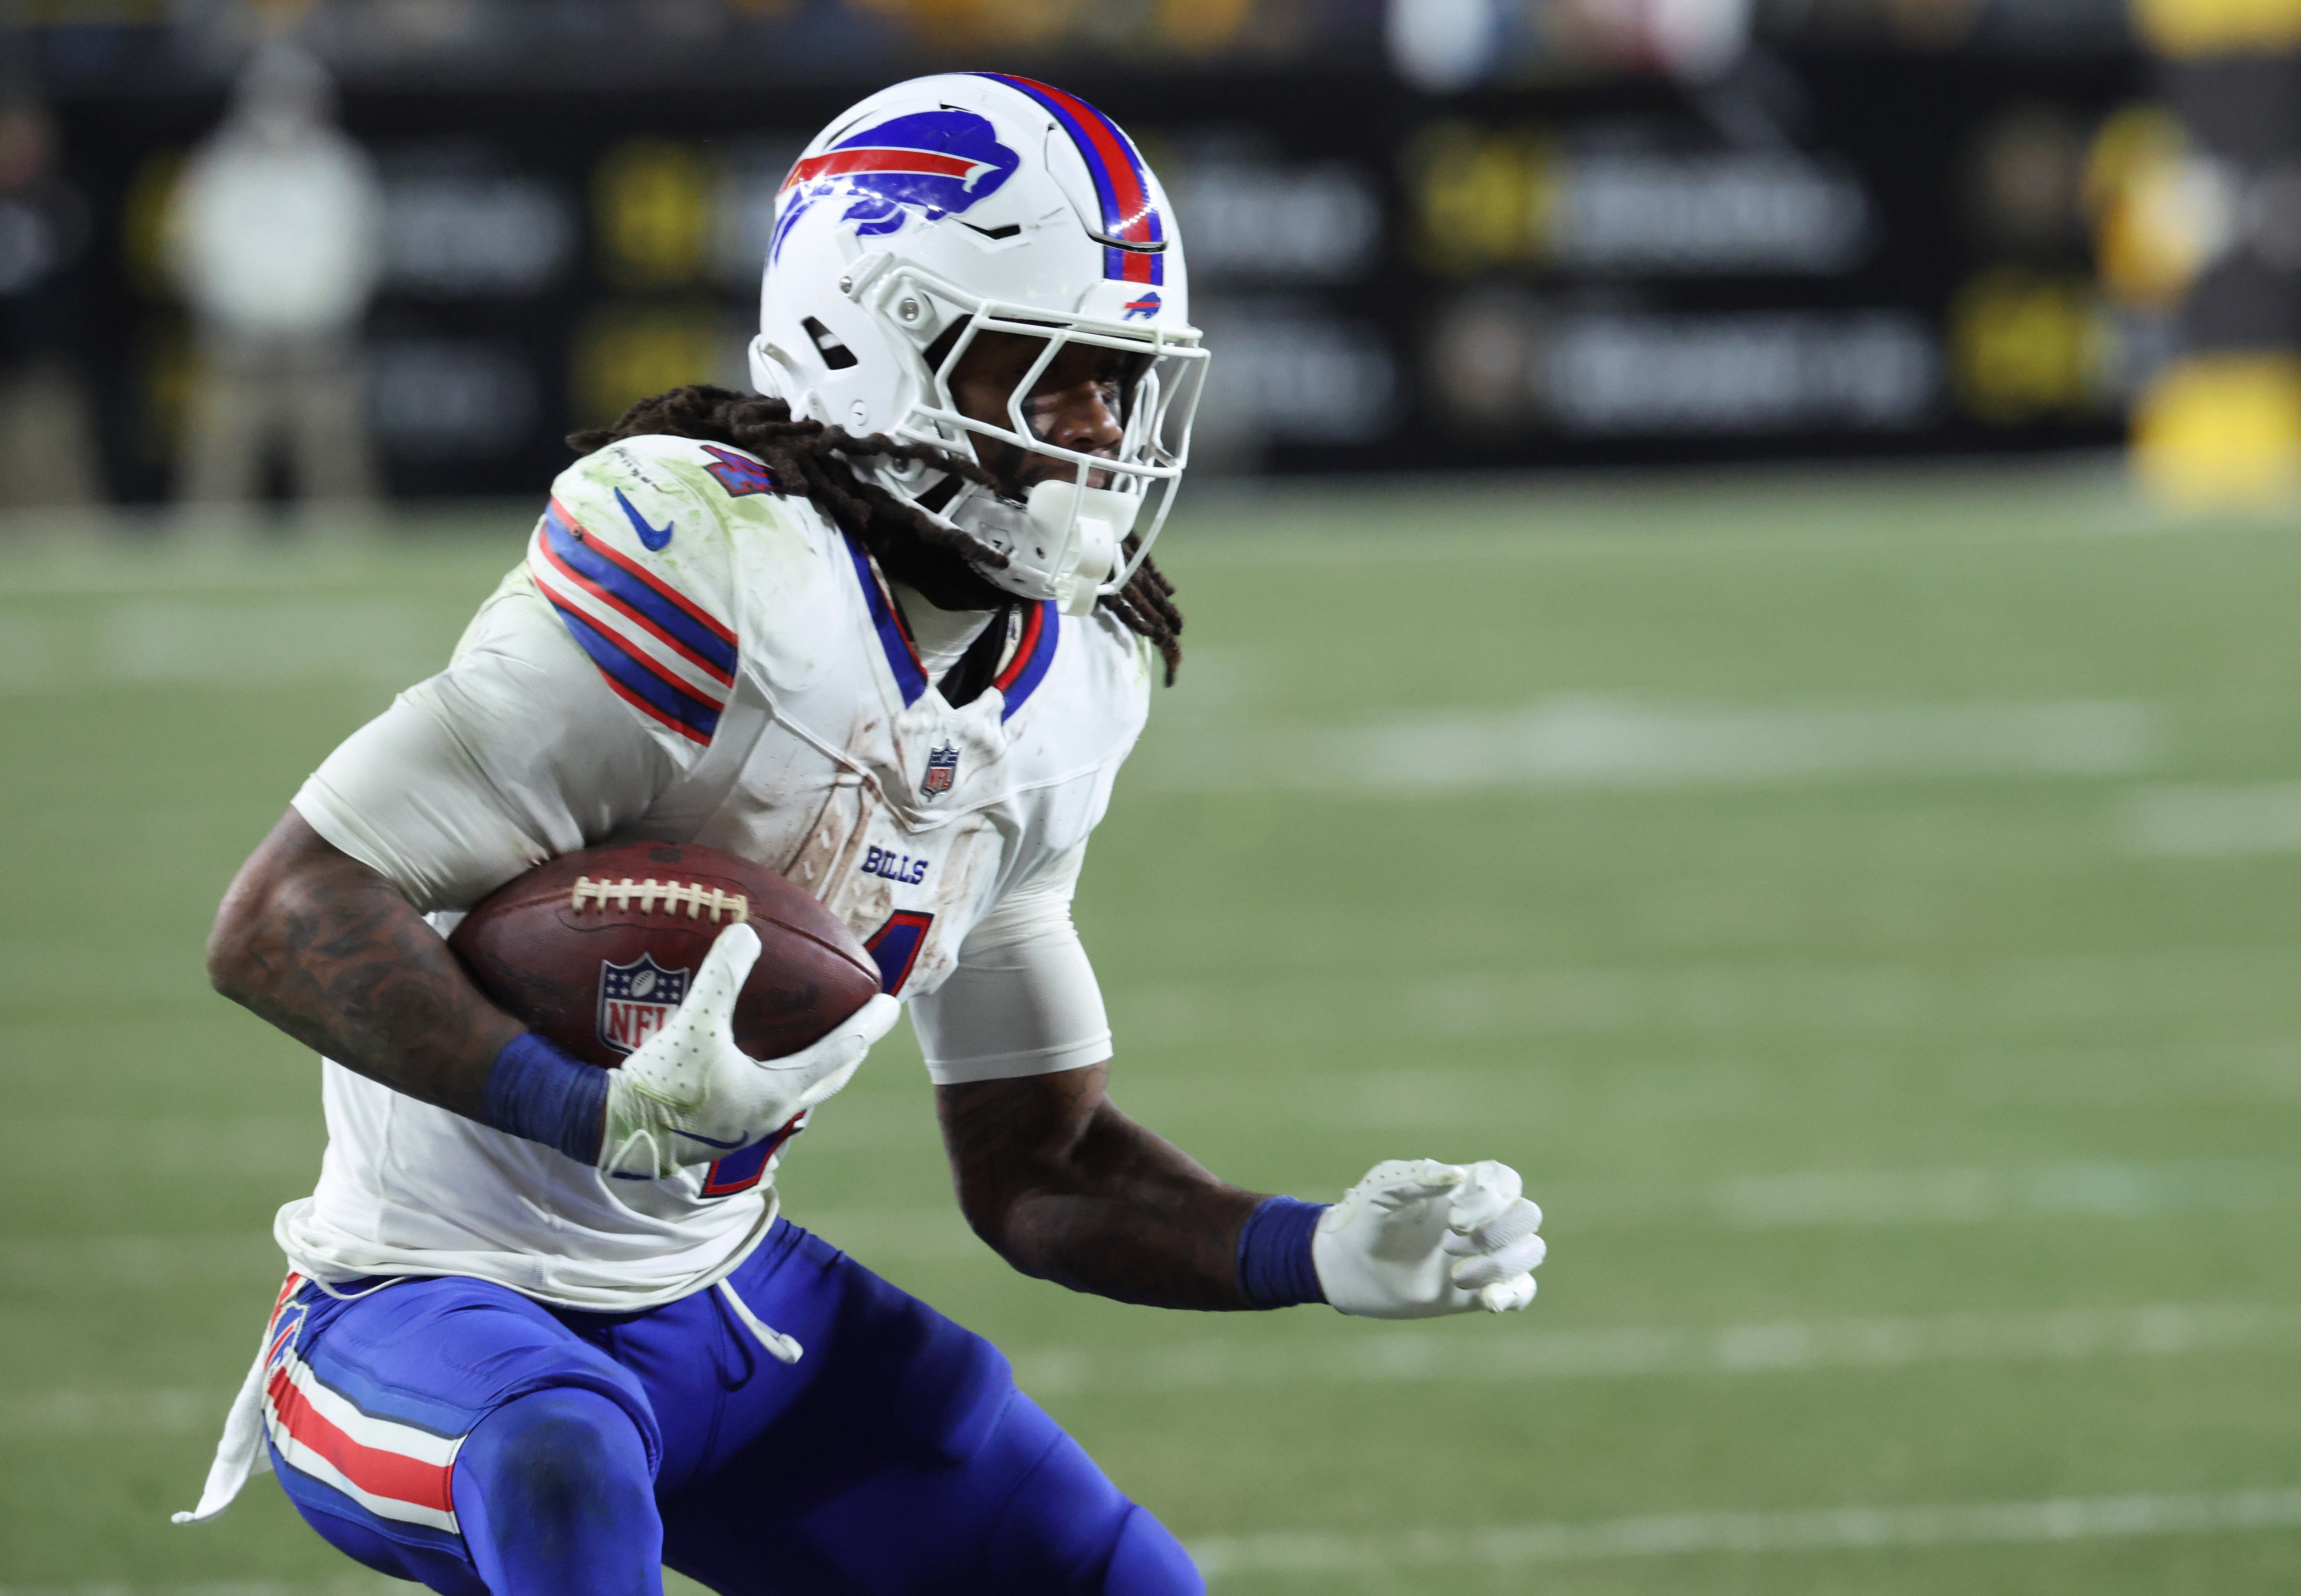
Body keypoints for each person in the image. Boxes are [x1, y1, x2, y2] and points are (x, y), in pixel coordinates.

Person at [177, 73, 1547, 1596]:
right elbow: (286, 915)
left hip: (723, 1301)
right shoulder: (718, 572)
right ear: (872, 343)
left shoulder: (1067, 684)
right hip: (422, 1306)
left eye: (1122, 382)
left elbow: (1046, 1166)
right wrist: (594, 1110)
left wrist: (1314, 1249)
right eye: (1052, 375)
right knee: (558, 1461)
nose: (1100, 436)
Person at [170, 42, 383, 518]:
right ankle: (206, 556)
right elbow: (194, 251)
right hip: (237, 342)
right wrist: (235, 313)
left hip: (317, 342)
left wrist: (320, 313)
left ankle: (347, 557)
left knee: (335, 466)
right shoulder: (218, 168)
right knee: (220, 464)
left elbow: (358, 254)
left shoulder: (339, 168)